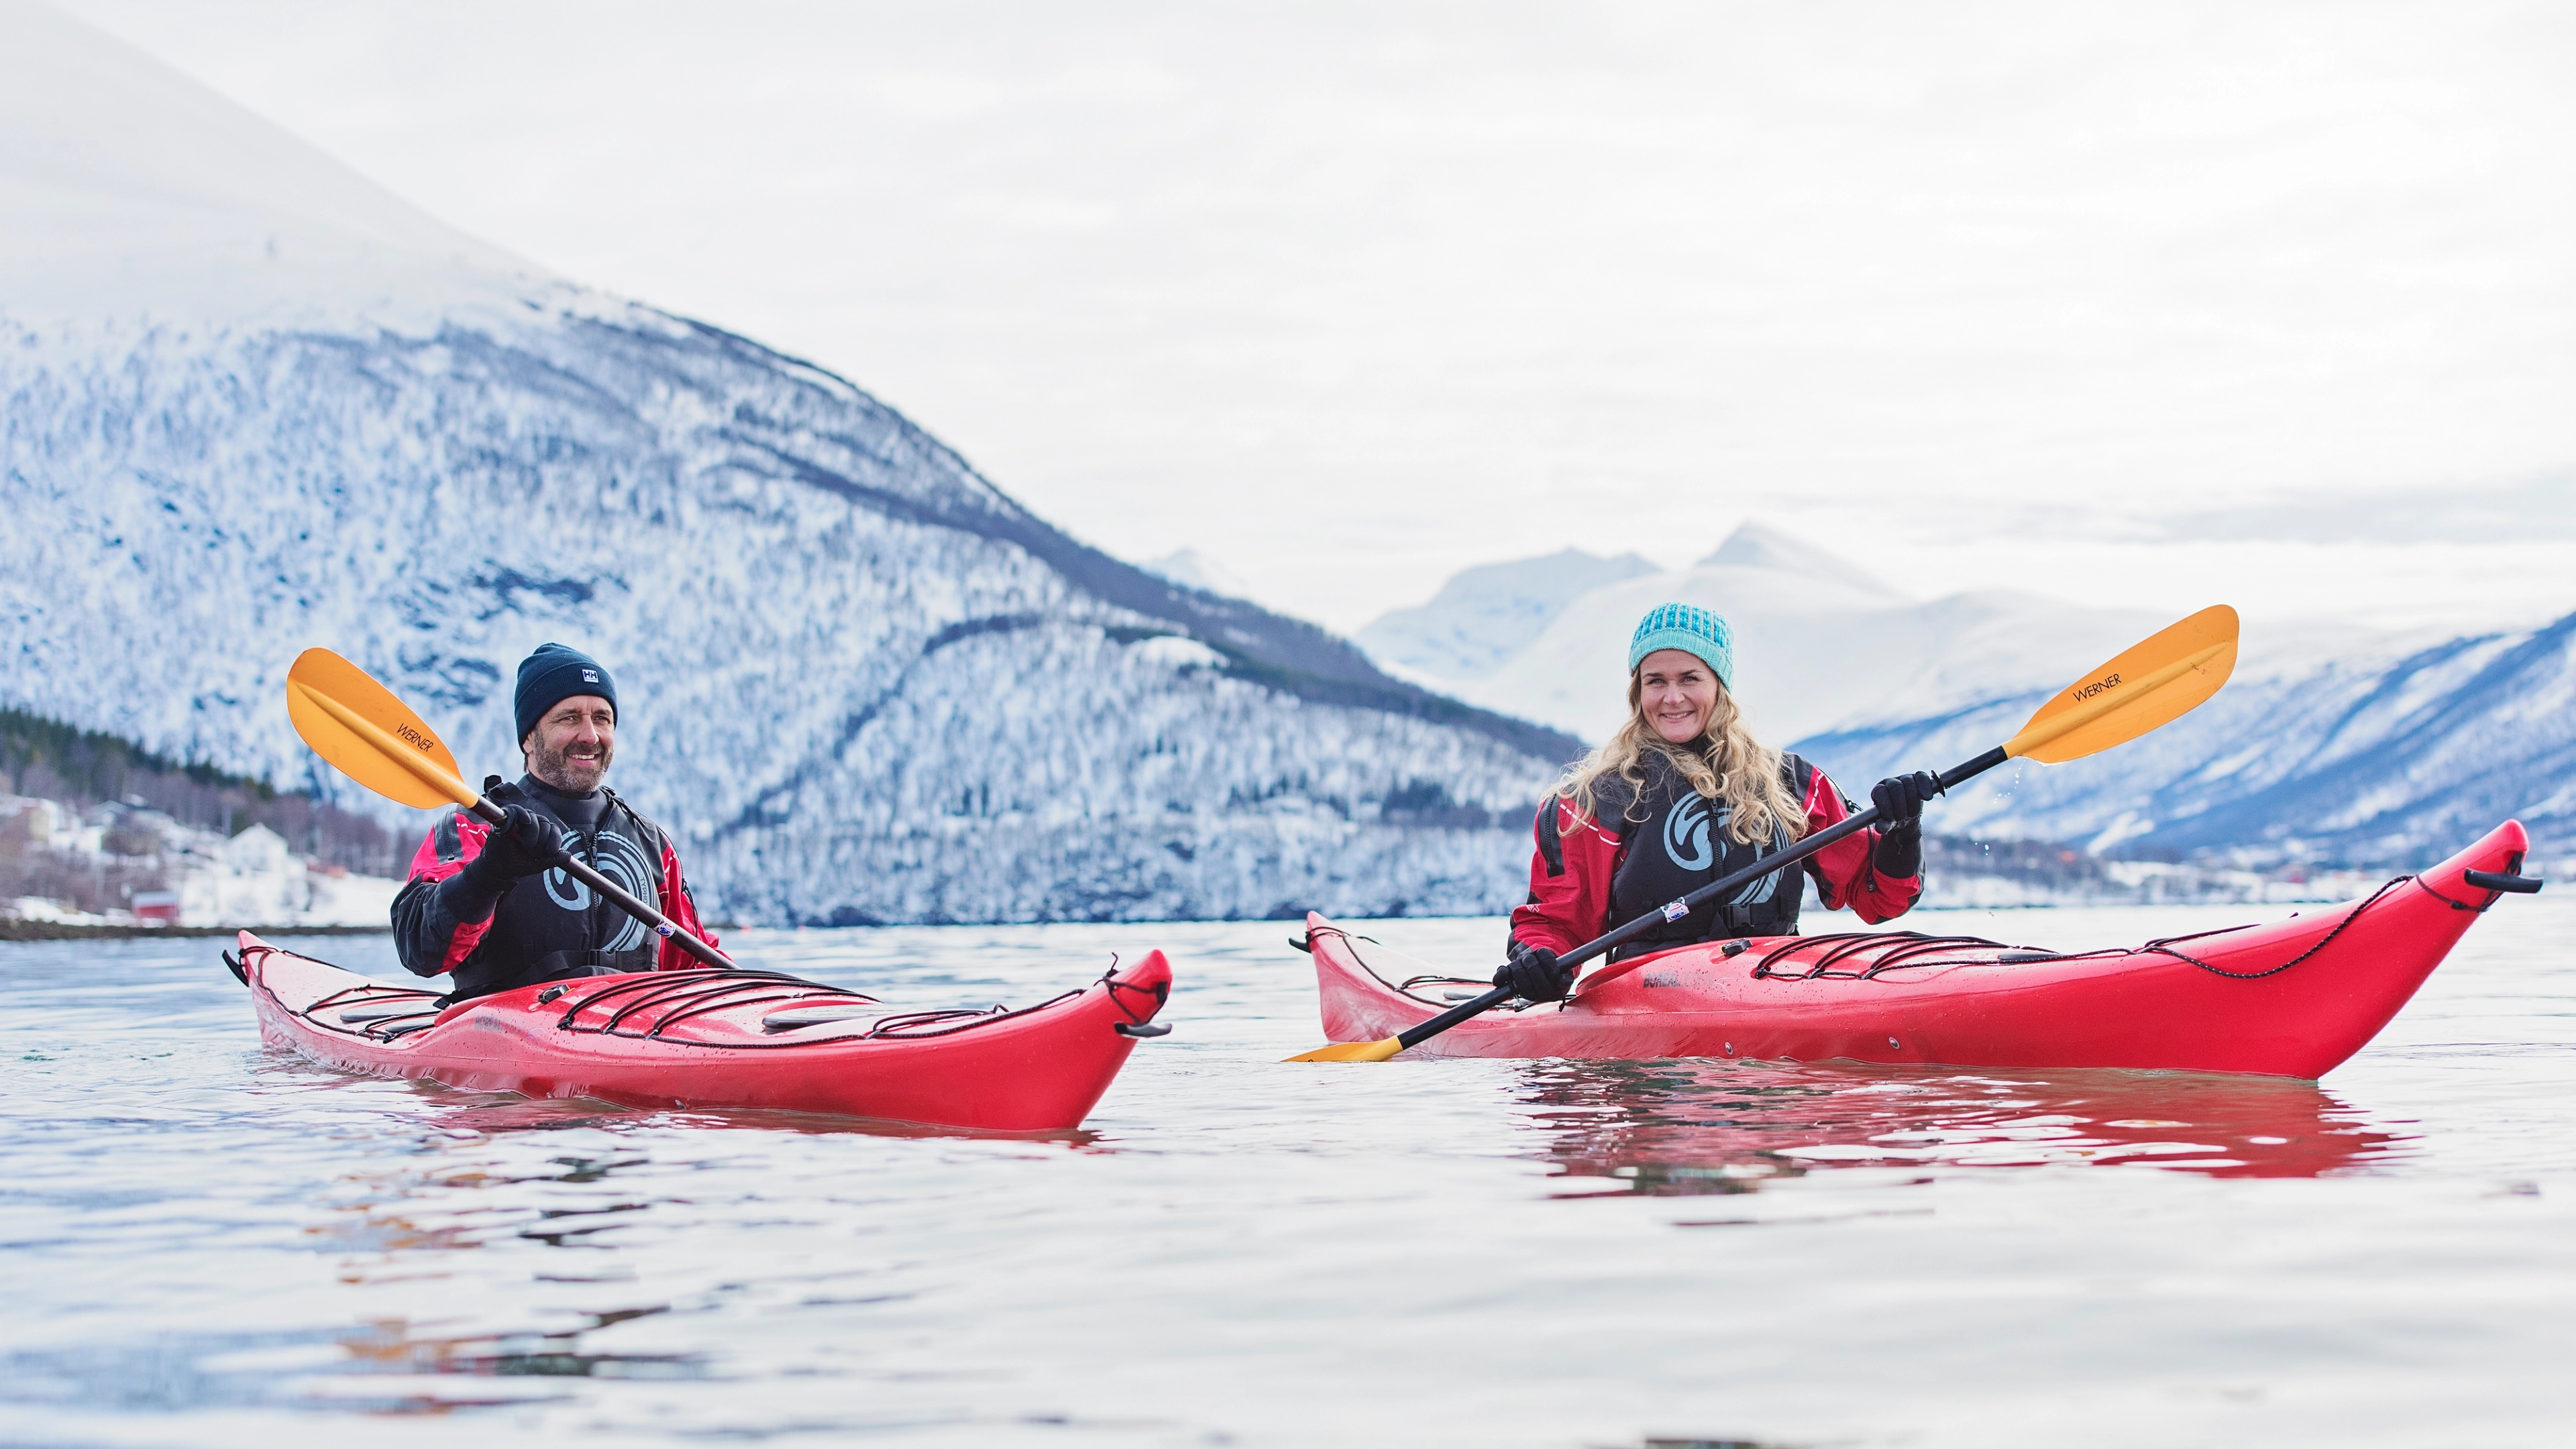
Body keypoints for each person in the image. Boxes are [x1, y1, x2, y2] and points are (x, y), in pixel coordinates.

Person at [1497, 603, 1939, 1002]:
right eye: (1656, 682)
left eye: (1690, 679)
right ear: (1638, 693)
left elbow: (1879, 899)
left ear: (1720, 686)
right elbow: (1557, 924)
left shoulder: (1793, 782)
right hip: (1649, 997)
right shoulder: (1595, 800)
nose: (1673, 698)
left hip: (1774, 984)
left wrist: (1902, 832)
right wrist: (1539, 963)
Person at [391, 643, 718, 1000]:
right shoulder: (476, 827)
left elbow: (697, 969)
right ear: (529, 737)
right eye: (570, 718)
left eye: (602, 718)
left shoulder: (651, 842)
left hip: (634, 1032)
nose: (590, 736)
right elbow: (421, 950)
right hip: (506, 1036)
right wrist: (488, 874)